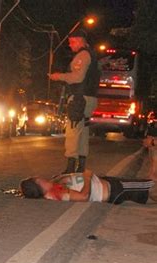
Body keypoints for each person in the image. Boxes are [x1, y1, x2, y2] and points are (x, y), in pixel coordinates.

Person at [49, 29, 100, 174]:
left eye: (71, 42)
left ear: (78, 40)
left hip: (79, 98)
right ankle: (81, 166)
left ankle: (70, 167)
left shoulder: (82, 55)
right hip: (89, 98)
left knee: (72, 131)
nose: (70, 45)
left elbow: (77, 77)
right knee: (82, 131)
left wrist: (59, 76)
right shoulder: (93, 55)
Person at [20, 169, 155, 204]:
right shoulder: (55, 192)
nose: (40, 176)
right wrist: (87, 177)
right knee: (151, 186)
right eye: (37, 178)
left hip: (110, 186)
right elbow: (83, 197)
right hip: (113, 190)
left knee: (147, 194)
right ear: (38, 183)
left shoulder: (53, 187)